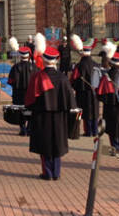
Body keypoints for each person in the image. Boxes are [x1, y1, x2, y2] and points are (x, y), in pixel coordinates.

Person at [25, 47, 76, 181]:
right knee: (57, 144)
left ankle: (47, 172)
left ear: (43, 59)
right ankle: (56, 172)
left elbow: (30, 100)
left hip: (42, 116)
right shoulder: (63, 78)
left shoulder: (37, 77)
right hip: (59, 116)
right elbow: (71, 101)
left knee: (45, 145)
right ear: (56, 60)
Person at [97, 52, 119, 153]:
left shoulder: (106, 75)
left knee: (111, 128)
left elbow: (100, 93)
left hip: (110, 106)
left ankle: (114, 148)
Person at [7, 46, 37, 135]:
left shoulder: (15, 67)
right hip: (30, 94)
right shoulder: (34, 67)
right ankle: (29, 128)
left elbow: (10, 81)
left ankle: (22, 128)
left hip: (18, 93)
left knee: (20, 111)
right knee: (30, 110)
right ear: (28, 56)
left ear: (20, 56)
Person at [72, 41, 99, 136]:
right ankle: (95, 130)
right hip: (94, 91)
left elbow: (74, 78)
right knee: (95, 110)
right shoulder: (96, 65)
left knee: (86, 111)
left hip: (83, 91)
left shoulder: (79, 65)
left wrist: (75, 87)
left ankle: (88, 131)